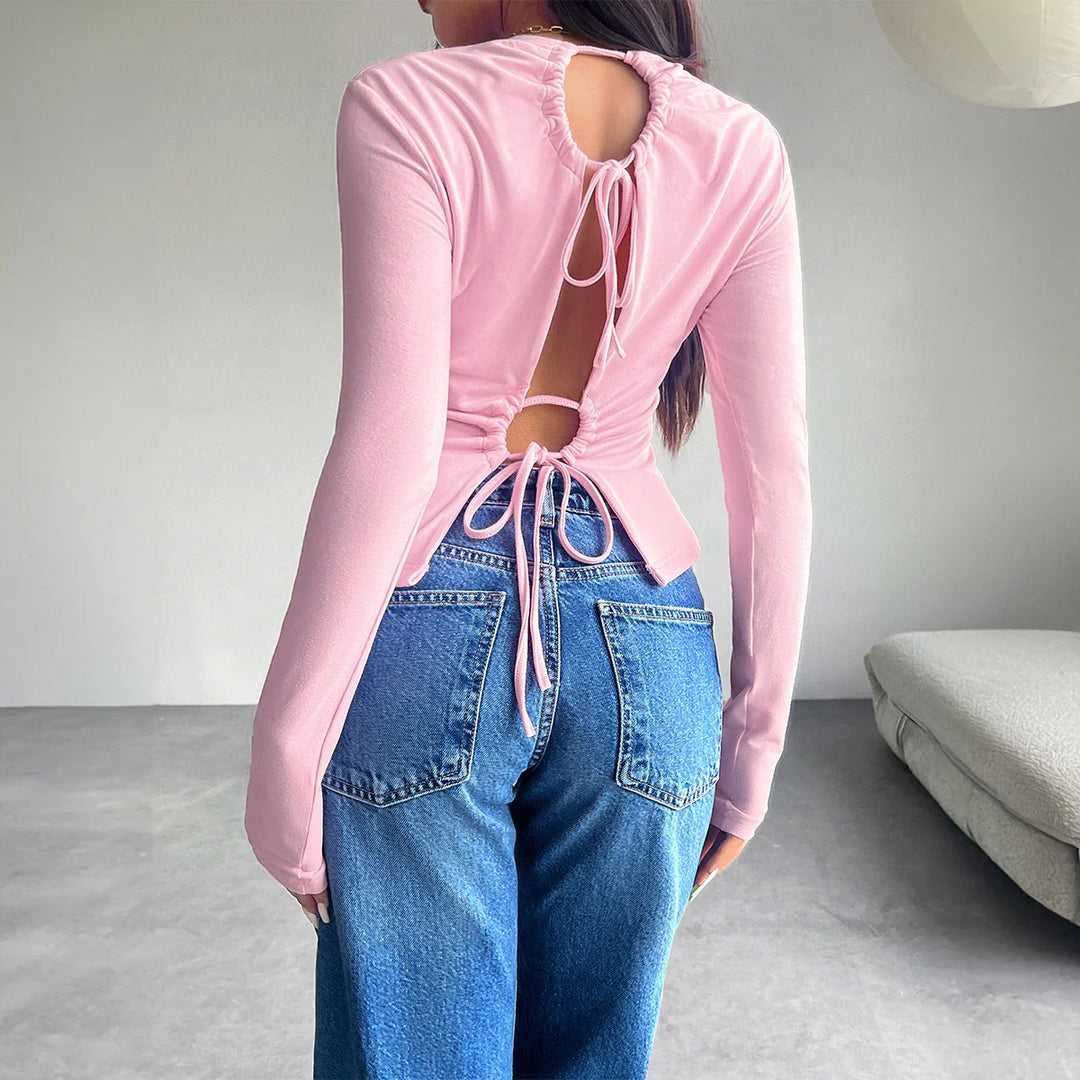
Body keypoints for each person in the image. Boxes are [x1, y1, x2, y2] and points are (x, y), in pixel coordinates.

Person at [244, 0, 812, 1076]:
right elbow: (776, 479)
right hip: (646, 641)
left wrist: (283, 748)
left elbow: (390, 443)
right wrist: (755, 749)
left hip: (425, 627)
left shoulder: (405, 103)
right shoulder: (742, 146)